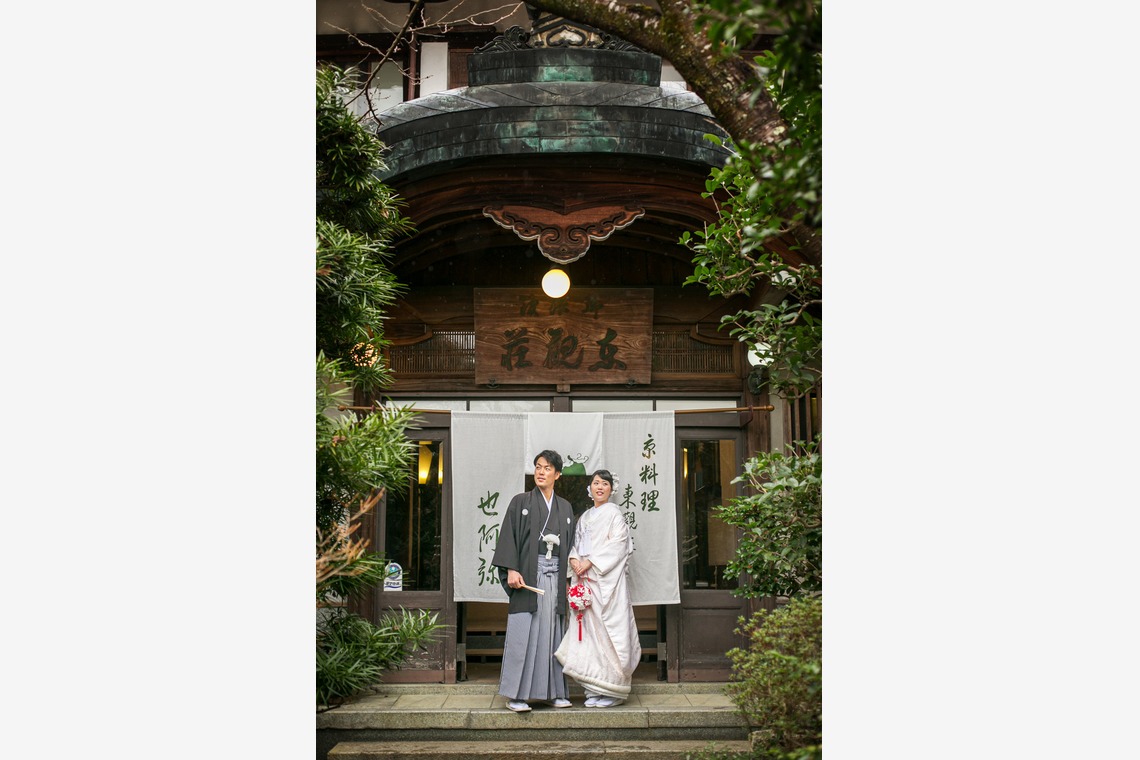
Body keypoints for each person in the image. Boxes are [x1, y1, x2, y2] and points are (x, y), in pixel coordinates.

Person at [491, 449, 577, 712]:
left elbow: (571, 546)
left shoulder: (565, 507)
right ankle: (516, 695)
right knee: (524, 632)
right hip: (528, 575)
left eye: (547, 468)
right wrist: (511, 569)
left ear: (557, 474)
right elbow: (509, 536)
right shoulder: (521, 502)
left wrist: (568, 579)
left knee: (552, 634)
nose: (541, 472)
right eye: (538, 467)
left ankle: (553, 692)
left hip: (556, 577)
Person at [555, 469, 641, 707]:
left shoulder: (614, 514)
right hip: (586, 581)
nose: (600, 487)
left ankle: (613, 689)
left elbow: (619, 545)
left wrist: (591, 562)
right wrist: (574, 559)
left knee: (609, 632)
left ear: (611, 489)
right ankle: (593, 687)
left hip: (606, 583)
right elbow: (576, 544)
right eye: (596, 483)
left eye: (605, 483)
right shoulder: (585, 516)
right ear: (589, 488)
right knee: (588, 635)